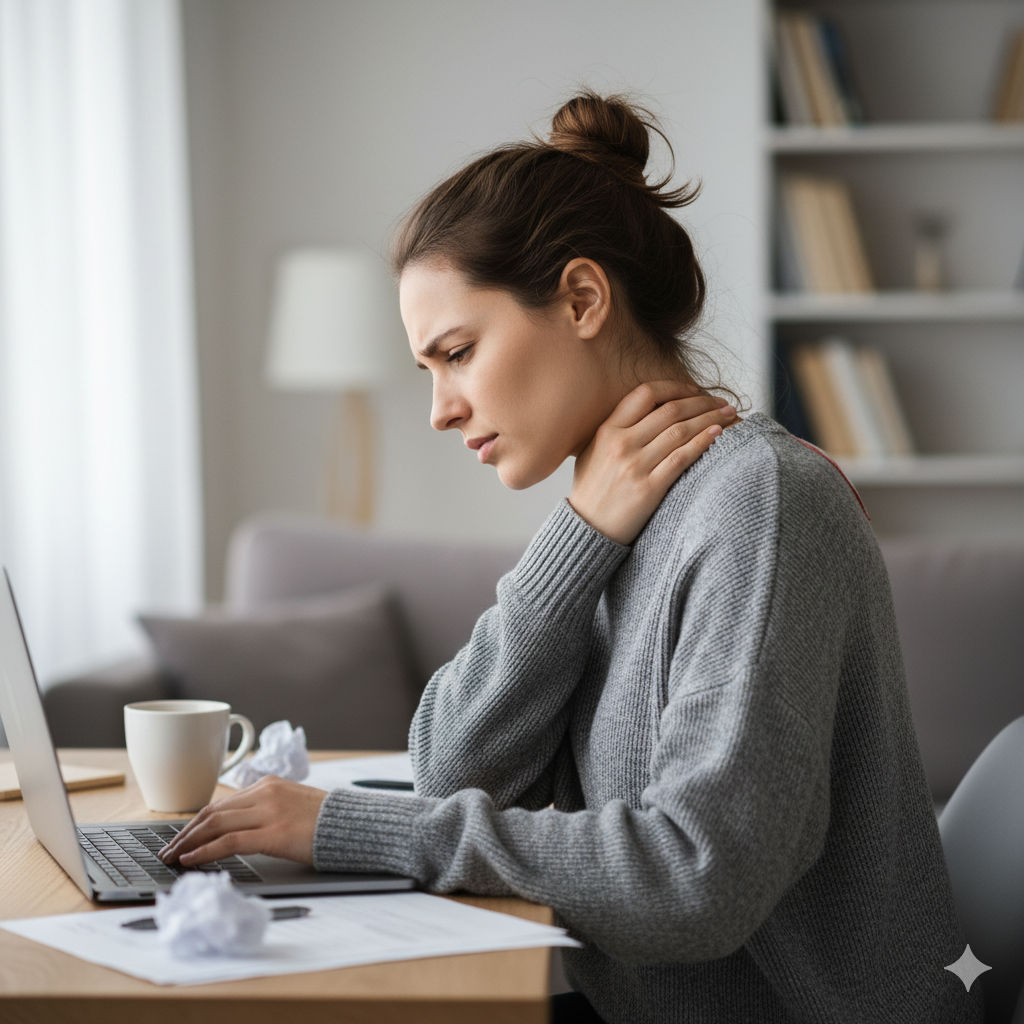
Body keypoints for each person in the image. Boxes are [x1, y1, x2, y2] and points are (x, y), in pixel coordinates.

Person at [160, 92, 980, 1023]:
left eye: (458, 352)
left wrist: (343, 828)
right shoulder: (615, 515)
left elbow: (697, 879)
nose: (440, 410)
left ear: (583, 299)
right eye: (429, 369)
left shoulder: (762, 506)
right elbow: (454, 774)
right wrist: (575, 541)